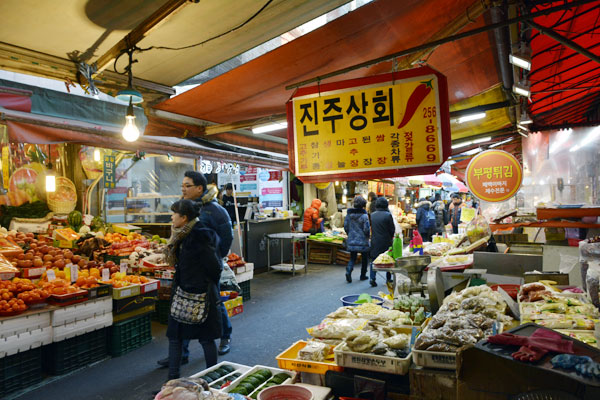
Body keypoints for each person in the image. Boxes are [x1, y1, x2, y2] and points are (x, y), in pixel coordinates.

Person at [158, 171, 234, 368]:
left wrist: (216, 258)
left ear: (199, 188)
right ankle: (180, 353)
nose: (183, 189)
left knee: (213, 304)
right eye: (182, 185)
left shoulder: (215, 210)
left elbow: (227, 237)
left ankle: (225, 336)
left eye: (187, 185)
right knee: (181, 309)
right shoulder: (184, 208)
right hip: (186, 271)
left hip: (207, 270)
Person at [165, 199, 223, 380]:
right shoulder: (180, 235)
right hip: (182, 293)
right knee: (175, 337)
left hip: (201, 295)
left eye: (174, 213)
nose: (172, 217)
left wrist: (202, 285)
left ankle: (213, 379)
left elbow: (214, 266)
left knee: (206, 338)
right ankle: (172, 381)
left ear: (184, 217)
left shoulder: (200, 235)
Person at [369, 197, 395, 287]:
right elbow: (392, 229)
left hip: (375, 240)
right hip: (386, 240)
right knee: (388, 259)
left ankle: (372, 278)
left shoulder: (372, 215)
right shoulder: (388, 215)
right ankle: (388, 279)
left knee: (374, 259)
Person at [344, 196, 370, 283]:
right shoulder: (364, 216)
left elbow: (346, 227)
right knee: (365, 258)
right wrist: (367, 236)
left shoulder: (349, 215)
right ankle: (363, 275)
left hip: (352, 239)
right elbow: (366, 229)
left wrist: (350, 234)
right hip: (363, 241)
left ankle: (349, 269)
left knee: (353, 257)